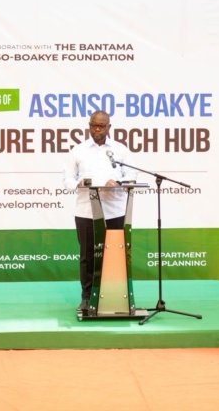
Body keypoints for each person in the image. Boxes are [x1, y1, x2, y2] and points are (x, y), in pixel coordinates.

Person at [63, 110, 138, 311]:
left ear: (109, 127)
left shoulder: (119, 150)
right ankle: (87, 298)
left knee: (116, 255)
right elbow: (67, 178)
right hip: (86, 212)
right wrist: (79, 183)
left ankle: (117, 297)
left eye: (102, 126)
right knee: (88, 257)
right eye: (94, 125)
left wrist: (119, 182)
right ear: (89, 126)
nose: (98, 129)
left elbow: (132, 174)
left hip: (115, 212)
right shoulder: (78, 150)